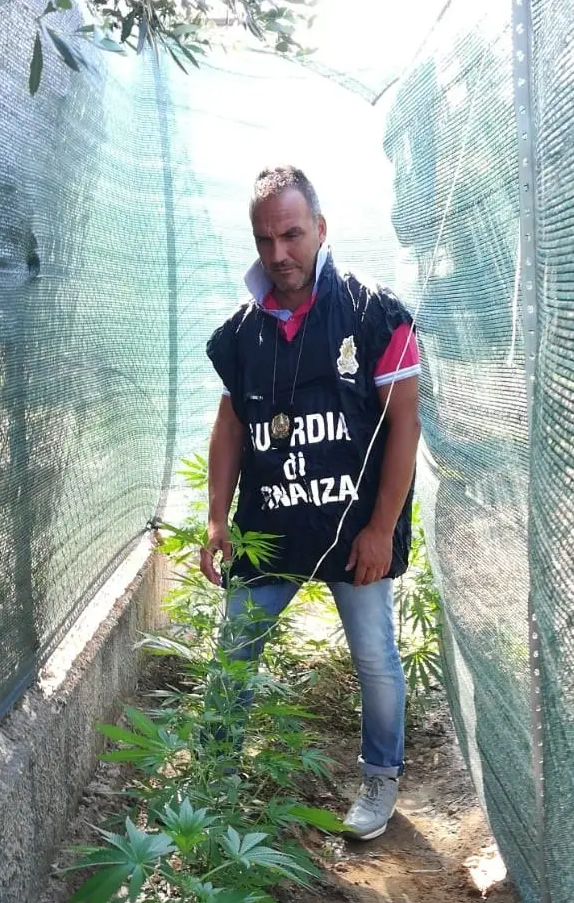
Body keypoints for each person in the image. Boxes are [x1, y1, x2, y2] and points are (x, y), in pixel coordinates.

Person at [201, 165, 421, 841]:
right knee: (233, 652)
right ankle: (212, 784)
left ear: (320, 229)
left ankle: (380, 777)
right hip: (270, 530)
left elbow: (404, 425)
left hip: (352, 531)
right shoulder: (242, 333)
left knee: (374, 658)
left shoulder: (373, 313)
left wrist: (381, 528)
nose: (278, 254)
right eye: (264, 239)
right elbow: (232, 424)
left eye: (291, 235)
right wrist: (216, 517)